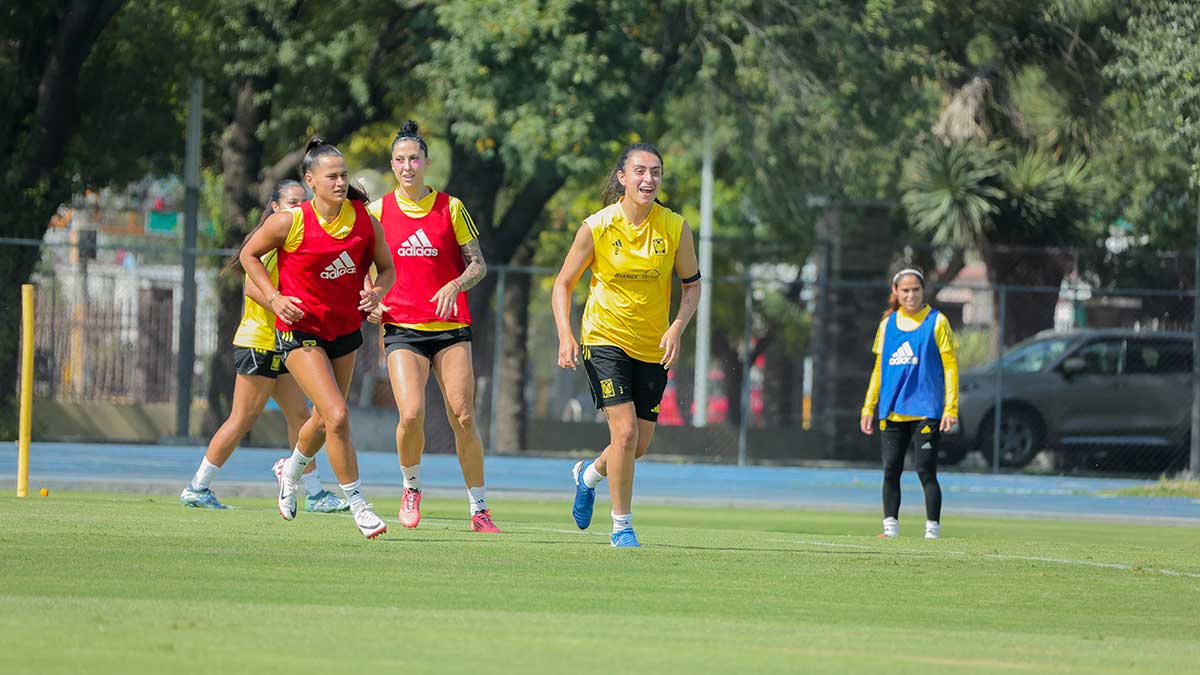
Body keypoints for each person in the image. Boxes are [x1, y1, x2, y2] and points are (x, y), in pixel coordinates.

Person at [240, 138, 395, 539]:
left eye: (344, 175)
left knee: (322, 421)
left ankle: (289, 471)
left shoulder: (364, 221)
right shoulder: (290, 222)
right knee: (338, 415)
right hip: (300, 332)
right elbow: (248, 255)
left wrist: (376, 292)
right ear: (311, 181)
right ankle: (359, 504)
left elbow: (387, 269)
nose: (341, 182)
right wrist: (275, 298)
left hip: (345, 330)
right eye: (333, 176)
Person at [552, 142, 701, 547]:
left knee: (636, 445)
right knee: (624, 434)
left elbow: (691, 287)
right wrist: (566, 334)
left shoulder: (674, 227)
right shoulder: (597, 226)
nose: (648, 179)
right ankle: (622, 527)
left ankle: (588, 476)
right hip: (604, 339)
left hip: (653, 346)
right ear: (622, 177)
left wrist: (676, 328)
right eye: (639, 171)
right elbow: (563, 284)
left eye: (655, 172)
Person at [180, 180, 347, 513]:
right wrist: (282, 304)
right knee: (242, 418)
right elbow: (253, 288)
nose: (299, 208)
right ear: (275, 207)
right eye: (291, 202)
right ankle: (197, 487)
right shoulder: (271, 241)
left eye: (303, 202)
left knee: (301, 417)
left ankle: (313, 493)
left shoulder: (296, 238)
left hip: (284, 343)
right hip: (260, 342)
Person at [366, 120, 499, 533]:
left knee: (462, 416)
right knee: (411, 413)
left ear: (426, 162)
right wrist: (369, 297)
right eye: (401, 160)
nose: (408, 166)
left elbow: (478, 264)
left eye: (415, 159)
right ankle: (411, 487)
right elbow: (357, 266)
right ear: (392, 165)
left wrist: (455, 283)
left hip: (450, 325)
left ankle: (479, 509)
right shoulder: (376, 212)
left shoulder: (451, 207)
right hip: (402, 326)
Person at [859, 266, 959, 539]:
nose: (911, 295)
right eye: (905, 290)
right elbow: (879, 369)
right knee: (891, 468)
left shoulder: (937, 322)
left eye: (915, 289)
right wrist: (869, 407)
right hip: (892, 411)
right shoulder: (887, 325)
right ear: (896, 292)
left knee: (925, 469)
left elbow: (950, 366)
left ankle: (932, 531)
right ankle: (889, 529)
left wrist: (950, 409)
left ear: (923, 290)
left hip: (926, 409)